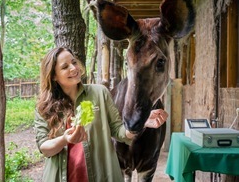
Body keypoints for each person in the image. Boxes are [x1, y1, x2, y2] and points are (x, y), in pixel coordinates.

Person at [34, 47, 168, 182]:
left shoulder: (100, 93)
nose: (74, 68)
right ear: (53, 76)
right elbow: (45, 148)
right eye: (65, 67)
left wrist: (142, 122)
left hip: (99, 176)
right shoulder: (44, 107)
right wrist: (65, 139)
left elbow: (119, 132)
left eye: (74, 62)